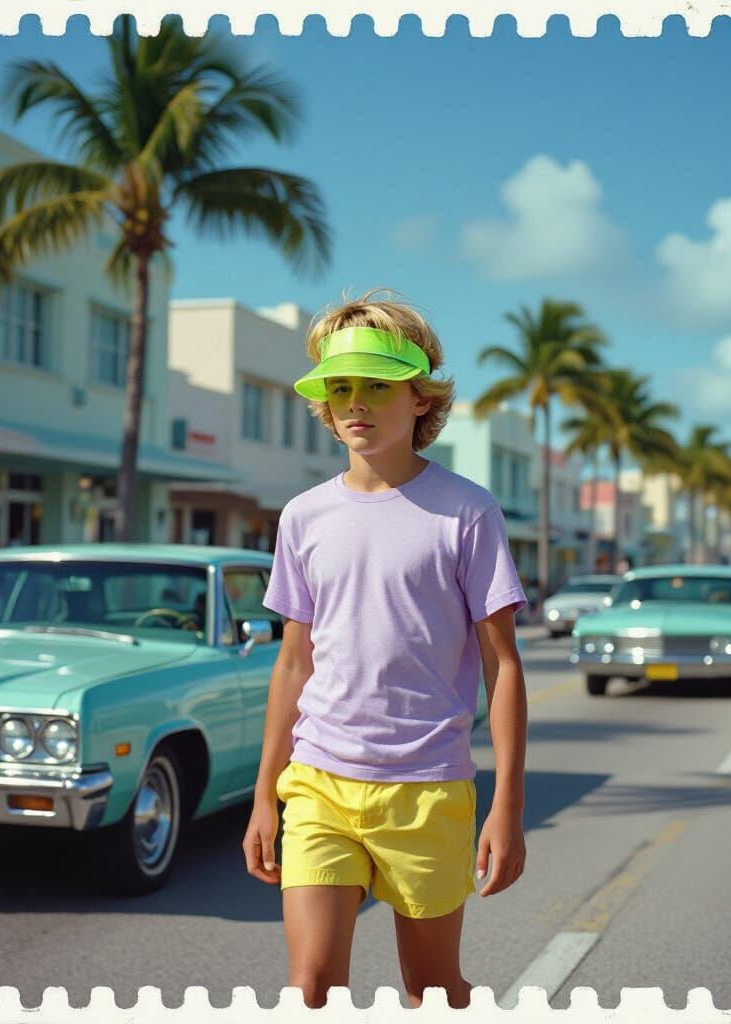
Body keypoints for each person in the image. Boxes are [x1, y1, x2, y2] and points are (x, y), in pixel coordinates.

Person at [242, 290, 528, 1009]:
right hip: (318, 784)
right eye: (341, 388)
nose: (356, 404)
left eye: (377, 385)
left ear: (421, 399)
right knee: (310, 988)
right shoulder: (303, 517)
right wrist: (263, 796)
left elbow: (503, 666)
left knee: (431, 989)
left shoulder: (468, 512)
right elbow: (293, 665)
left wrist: (507, 807)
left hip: (428, 788)